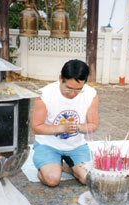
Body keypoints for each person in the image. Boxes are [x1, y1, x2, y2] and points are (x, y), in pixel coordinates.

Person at [31, 59, 99, 187]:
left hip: (76, 146)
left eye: (78, 89)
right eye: (68, 88)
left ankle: (67, 165)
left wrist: (77, 127)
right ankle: (50, 166)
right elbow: (36, 127)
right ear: (60, 78)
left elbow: (93, 125)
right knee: (52, 180)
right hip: (48, 144)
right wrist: (62, 128)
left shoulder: (91, 94)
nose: (73, 94)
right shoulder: (44, 94)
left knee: (87, 179)